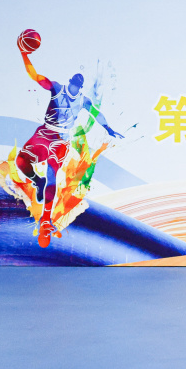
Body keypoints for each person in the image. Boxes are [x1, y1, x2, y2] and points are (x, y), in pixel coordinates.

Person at [16, 34, 122, 247]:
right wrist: (24, 55)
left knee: (52, 174)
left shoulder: (82, 100)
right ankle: (37, 181)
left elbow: (96, 114)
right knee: (21, 162)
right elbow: (35, 76)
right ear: (70, 82)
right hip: (45, 132)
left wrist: (108, 128)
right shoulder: (56, 88)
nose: (74, 87)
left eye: (77, 85)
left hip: (62, 139)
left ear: (80, 88)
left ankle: (46, 219)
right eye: (73, 83)